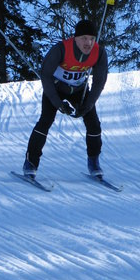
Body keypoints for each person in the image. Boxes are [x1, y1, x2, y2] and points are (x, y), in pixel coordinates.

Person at [24, 19, 108, 178]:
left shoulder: (99, 52)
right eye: (84, 38)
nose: (88, 43)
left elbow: (99, 81)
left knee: (94, 124)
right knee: (46, 120)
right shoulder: (61, 49)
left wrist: (88, 104)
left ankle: (94, 161)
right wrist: (58, 103)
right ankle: (31, 162)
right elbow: (45, 75)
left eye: (92, 38)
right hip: (56, 89)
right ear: (75, 38)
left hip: (79, 90)